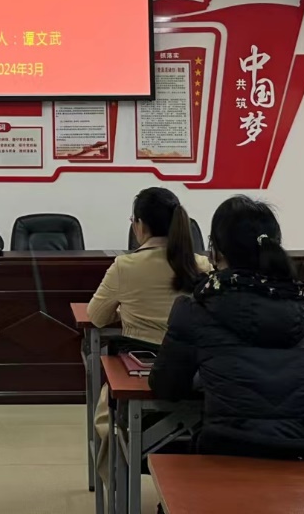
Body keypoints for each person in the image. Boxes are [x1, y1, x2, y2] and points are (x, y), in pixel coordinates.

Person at [150, 195, 304, 438]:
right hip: (301, 452)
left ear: (216, 251)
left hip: (227, 451)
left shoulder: (194, 311)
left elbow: (166, 387)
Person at [89, 188, 211, 477]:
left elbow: (96, 317)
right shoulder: (200, 265)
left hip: (139, 374)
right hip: (194, 379)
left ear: (140, 225)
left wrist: (125, 311)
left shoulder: (125, 266)